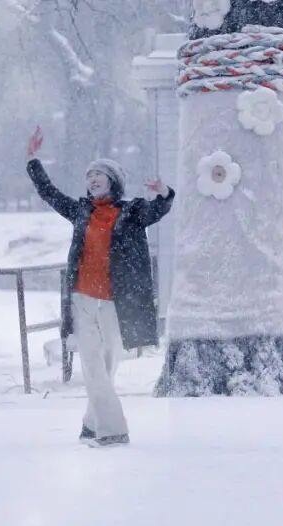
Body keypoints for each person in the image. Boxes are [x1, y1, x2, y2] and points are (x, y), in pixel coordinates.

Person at [25, 127, 174, 448]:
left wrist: (163, 193)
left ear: (113, 182)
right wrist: (33, 159)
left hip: (116, 301)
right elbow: (49, 193)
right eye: (89, 175)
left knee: (107, 364)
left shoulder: (131, 212)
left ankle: (91, 425)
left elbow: (159, 210)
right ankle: (113, 430)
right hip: (82, 297)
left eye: (99, 175)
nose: (92, 180)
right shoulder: (80, 210)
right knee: (92, 363)